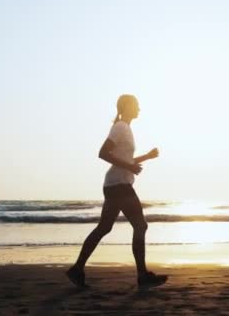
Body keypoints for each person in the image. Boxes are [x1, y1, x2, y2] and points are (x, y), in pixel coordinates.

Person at [66, 94, 168, 288]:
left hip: (115, 184)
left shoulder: (126, 128)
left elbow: (126, 161)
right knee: (140, 226)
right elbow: (103, 153)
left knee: (104, 227)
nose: (139, 109)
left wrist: (146, 156)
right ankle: (142, 275)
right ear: (127, 106)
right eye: (136, 105)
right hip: (119, 185)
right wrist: (129, 168)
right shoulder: (120, 127)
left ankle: (77, 269)